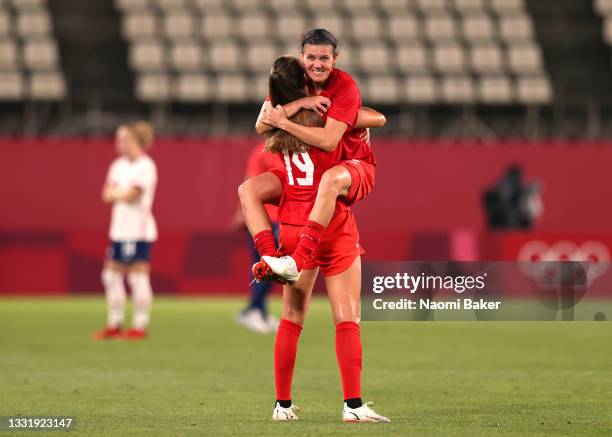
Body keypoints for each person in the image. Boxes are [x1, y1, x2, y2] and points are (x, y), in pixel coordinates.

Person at [239, 55, 389, 422]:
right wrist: (342, 113)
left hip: (291, 223)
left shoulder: (275, 118)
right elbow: (375, 117)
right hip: (331, 225)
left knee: (291, 317)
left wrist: (293, 106)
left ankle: (282, 406)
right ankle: (353, 406)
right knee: (347, 318)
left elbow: (262, 120)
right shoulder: (325, 115)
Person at [246, 29, 378, 284]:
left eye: (324, 58)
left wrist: (286, 123)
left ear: (334, 59)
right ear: (302, 57)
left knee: (331, 180)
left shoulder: (344, 85)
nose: (317, 64)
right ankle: (270, 260)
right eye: (311, 58)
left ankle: (295, 261)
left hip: (351, 164)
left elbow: (329, 141)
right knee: (247, 190)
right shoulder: (292, 82)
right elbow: (261, 124)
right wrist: (300, 105)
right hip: (314, 175)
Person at [93, 121, 158, 340]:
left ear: (137, 141)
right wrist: (120, 193)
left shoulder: (145, 165)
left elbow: (132, 195)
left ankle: (139, 326)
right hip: (118, 231)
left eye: (125, 139)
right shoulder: (117, 165)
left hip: (137, 232)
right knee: (110, 276)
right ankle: (114, 324)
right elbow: (105, 195)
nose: (120, 143)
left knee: (137, 279)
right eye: (119, 139)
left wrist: (116, 193)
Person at [233, 144, 282, 333]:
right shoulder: (263, 151)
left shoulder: (291, 148)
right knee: (267, 265)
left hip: (283, 216)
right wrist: (242, 211)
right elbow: (249, 182)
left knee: (274, 268)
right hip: (265, 217)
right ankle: (253, 309)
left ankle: (259, 310)